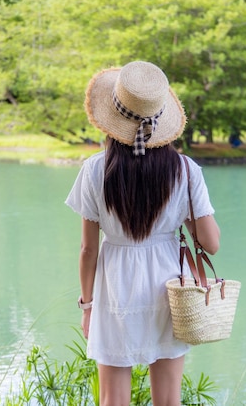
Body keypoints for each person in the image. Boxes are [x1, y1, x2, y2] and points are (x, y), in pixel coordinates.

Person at [65, 61, 220, 406]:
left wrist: (87, 305)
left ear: (113, 119)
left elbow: (88, 250)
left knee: (112, 401)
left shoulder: (94, 171)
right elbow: (211, 244)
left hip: (114, 288)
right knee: (168, 400)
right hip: (170, 289)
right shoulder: (186, 171)